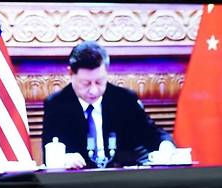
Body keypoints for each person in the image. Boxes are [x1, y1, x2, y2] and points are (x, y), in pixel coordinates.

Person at [42, 41, 174, 169]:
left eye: (99, 82)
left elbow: (153, 135)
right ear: (71, 74)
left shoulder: (124, 100)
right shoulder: (56, 105)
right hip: (77, 182)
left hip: (121, 180)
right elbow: (49, 150)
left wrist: (165, 145)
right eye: (86, 83)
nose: (93, 90)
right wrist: (64, 159)